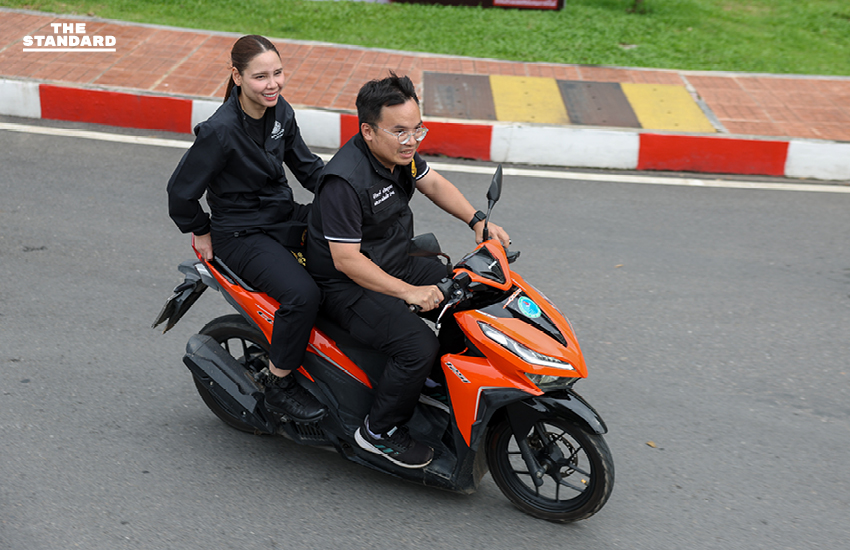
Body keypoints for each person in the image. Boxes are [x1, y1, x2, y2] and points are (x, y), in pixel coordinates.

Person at [307, 73, 510, 468]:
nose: (412, 140)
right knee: (418, 346)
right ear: (368, 131)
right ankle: (377, 432)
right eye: (400, 131)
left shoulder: (399, 154)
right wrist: (407, 292)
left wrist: (477, 221)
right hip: (345, 285)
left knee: (466, 292)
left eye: (417, 128)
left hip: (393, 259)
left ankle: (432, 379)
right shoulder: (343, 182)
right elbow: (346, 260)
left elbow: (432, 183)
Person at [167, 35, 327, 423]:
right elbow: (180, 192)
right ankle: (279, 385)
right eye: (260, 77)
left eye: (278, 73)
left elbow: (307, 169)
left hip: (282, 216)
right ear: (237, 76)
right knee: (303, 295)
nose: (273, 84)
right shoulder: (219, 131)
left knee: (354, 249)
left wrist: (348, 195)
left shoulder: (279, 112)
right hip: (241, 235)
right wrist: (200, 229)